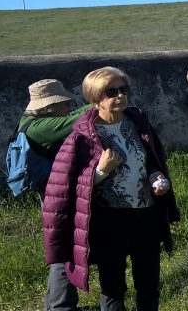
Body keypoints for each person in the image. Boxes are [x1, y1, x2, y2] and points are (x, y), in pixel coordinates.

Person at [42, 67, 179, 311]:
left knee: (149, 285)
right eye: (111, 92)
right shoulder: (82, 136)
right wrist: (101, 171)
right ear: (95, 98)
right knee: (113, 289)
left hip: (145, 215)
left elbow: (150, 161)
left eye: (123, 90)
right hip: (110, 220)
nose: (120, 96)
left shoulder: (137, 122)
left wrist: (156, 177)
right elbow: (68, 189)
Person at [19, 79, 91, 311]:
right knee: (66, 249)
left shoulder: (29, 121)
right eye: (63, 103)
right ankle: (62, 307)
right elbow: (77, 119)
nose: (68, 106)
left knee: (60, 246)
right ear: (49, 107)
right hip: (55, 193)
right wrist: (99, 99)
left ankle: (54, 305)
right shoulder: (42, 127)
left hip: (51, 192)